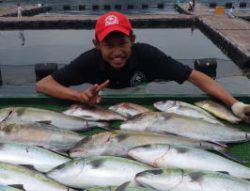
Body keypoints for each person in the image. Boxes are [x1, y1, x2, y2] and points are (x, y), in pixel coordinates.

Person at [36, 11, 250, 123]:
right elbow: (44, 84)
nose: (117, 52)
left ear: (133, 40)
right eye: (108, 45)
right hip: (101, 104)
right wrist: (79, 96)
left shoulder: (148, 55)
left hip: (143, 100)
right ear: (97, 45)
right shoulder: (89, 60)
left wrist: (234, 105)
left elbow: (196, 77)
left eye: (123, 44)